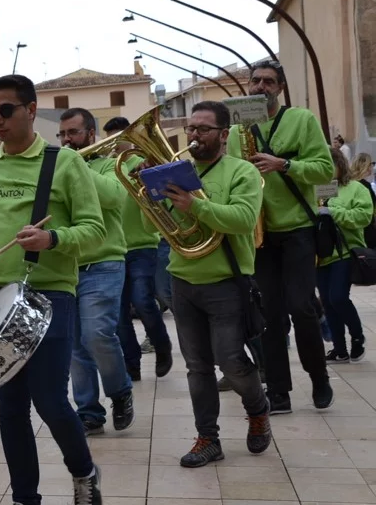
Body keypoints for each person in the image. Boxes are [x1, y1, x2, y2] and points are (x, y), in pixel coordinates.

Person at [0, 74, 104, 505]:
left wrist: (53, 238)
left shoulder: (62, 164)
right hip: (0, 298)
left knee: (50, 400)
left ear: (30, 109)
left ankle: (83, 474)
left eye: (5, 110)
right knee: (10, 409)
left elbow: (95, 229)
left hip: (51, 296)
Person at [157, 101, 270, 467]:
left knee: (231, 360)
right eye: (191, 128)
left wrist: (196, 206)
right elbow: (151, 229)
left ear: (223, 134)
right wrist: (151, 197)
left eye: (203, 129)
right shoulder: (179, 172)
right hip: (183, 280)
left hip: (226, 282)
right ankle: (208, 438)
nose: (194, 135)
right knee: (197, 366)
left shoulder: (242, 172)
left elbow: (242, 219)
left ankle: (258, 410)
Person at [228, 60, 336, 414]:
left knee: (300, 307)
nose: (260, 86)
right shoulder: (236, 128)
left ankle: (319, 378)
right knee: (270, 315)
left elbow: (325, 169)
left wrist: (284, 164)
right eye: (255, 80)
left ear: (281, 87)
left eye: (268, 81)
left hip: (297, 230)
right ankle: (278, 391)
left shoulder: (301, 120)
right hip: (259, 235)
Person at [57, 108, 135, 435]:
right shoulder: (59, 165)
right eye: (62, 135)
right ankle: (89, 411)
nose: (66, 140)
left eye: (73, 134)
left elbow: (115, 196)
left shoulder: (110, 162)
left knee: (97, 335)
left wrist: (75, 166)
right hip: (68, 264)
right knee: (74, 345)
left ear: (91, 134)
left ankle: (120, 391)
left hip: (105, 261)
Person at [103, 117, 174, 383]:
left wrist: (147, 172)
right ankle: (131, 364)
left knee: (143, 299)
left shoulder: (142, 163)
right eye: (111, 140)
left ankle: (162, 344)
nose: (115, 145)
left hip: (143, 243)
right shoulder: (105, 168)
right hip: (114, 248)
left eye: (119, 138)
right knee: (119, 313)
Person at [318, 146, 371, 364]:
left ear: (339, 164)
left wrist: (333, 211)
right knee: (327, 304)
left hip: (345, 252)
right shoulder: (316, 188)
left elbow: (363, 216)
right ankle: (339, 349)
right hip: (321, 255)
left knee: (337, 297)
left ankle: (357, 337)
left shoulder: (355, 188)